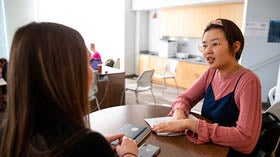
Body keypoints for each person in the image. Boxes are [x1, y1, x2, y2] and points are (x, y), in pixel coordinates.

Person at [0, 22, 138, 157]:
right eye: (87, 63)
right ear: (67, 76)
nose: (91, 71)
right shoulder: (87, 146)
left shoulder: (7, 135)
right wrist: (129, 153)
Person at [152, 18, 262, 155]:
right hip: (207, 148)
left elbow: (246, 140)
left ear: (235, 47)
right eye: (204, 46)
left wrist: (191, 124)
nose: (207, 51)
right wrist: (179, 113)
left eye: (215, 44)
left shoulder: (248, 81)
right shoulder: (211, 73)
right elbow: (184, 98)